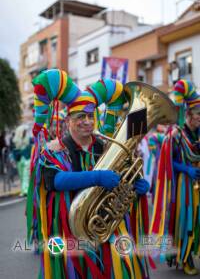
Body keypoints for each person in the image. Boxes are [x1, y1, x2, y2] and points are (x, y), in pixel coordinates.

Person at [27, 69, 152, 279]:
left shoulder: (106, 147)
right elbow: (54, 181)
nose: (86, 121)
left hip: (104, 224)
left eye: (90, 116)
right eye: (80, 117)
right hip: (68, 228)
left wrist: (138, 187)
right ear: (68, 121)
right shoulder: (53, 148)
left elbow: (123, 179)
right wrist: (95, 177)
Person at [150, 79, 200, 275]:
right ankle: (185, 257)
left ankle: (193, 251)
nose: (199, 118)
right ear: (188, 114)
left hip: (198, 181)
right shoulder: (175, 133)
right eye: (197, 115)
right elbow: (166, 162)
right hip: (183, 185)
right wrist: (186, 169)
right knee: (185, 220)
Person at [12, 124, 32, 196]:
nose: (25, 133)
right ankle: (23, 190)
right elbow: (14, 151)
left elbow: (29, 148)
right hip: (19, 160)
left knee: (26, 175)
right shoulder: (15, 141)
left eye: (25, 131)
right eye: (24, 131)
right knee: (21, 176)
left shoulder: (28, 139)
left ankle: (26, 190)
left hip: (27, 160)